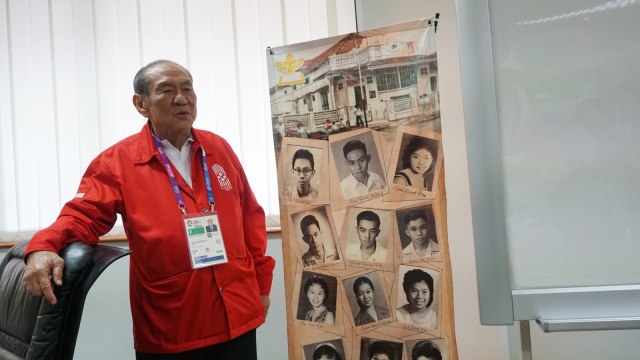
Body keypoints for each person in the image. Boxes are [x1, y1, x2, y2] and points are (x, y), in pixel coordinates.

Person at [22, 60, 275, 359]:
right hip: (172, 323)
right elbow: (81, 215)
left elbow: (250, 217)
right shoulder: (117, 162)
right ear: (140, 104)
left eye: (187, 89)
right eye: (167, 90)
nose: (181, 98)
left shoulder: (218, 149)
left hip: (237, 312)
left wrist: (261, 283)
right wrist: (43, 245)